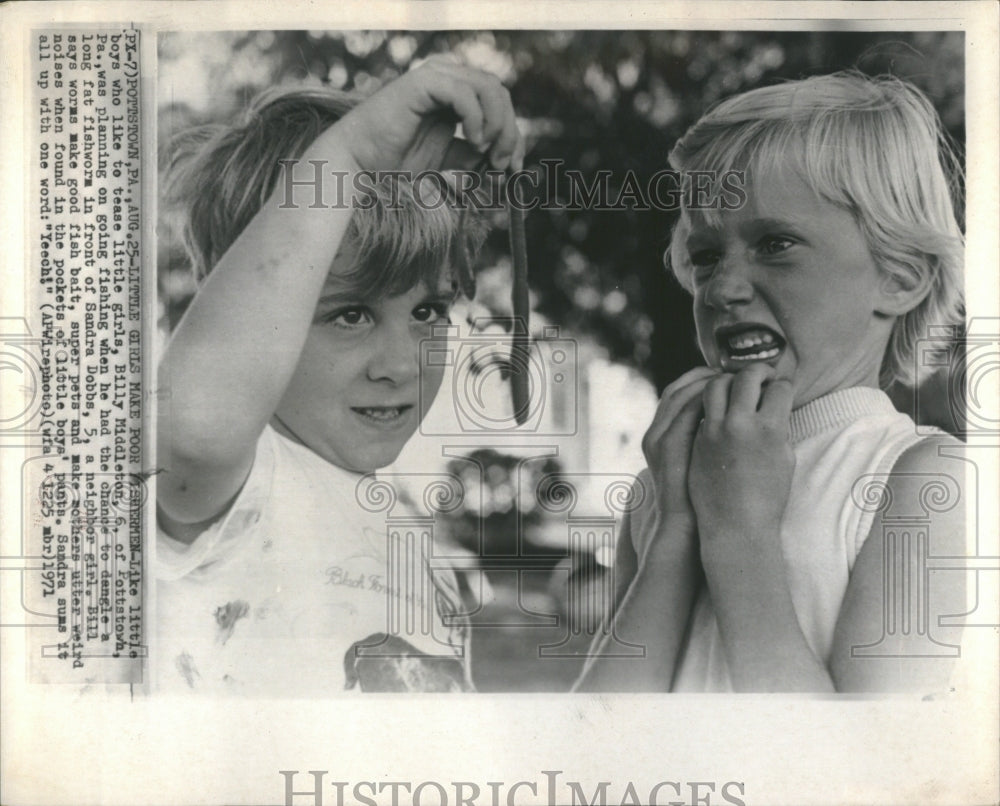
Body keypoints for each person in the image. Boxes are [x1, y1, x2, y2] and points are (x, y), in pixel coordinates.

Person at [576, 71, 967, 693]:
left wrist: (737, 536)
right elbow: (597, 743)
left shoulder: (924, 479)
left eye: (776, 243)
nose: (724, 288)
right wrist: (675, 527)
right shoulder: (662, 483)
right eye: (705, 256)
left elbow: (863, 776)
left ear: (900, 276)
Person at [154, 61, 522, 695]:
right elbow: (194, 425)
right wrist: (348, 157)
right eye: (351, 314)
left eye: (428, 311)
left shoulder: (409, 534)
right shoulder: (236, 490)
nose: (400, 364)